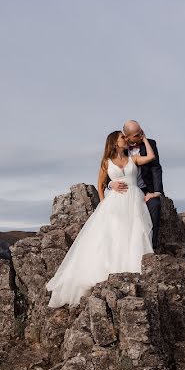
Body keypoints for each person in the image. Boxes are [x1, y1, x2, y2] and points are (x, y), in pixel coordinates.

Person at [46, 130, 155, 308]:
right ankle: (110, 270)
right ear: (114, 142)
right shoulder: (107, 162)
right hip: (115, 202)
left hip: (134, 200)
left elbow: (150, 156)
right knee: (113, 235)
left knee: (134, 232)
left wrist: (143, 139)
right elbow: (100, 184)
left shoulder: (133, 158)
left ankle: (132, 269)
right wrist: (104, 201)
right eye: (122, 138)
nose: (125, 140)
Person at [109, 120, 164, 251]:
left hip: (146, 189)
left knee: (155, 205)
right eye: (136, 135)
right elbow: (108, 171)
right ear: (126, 137)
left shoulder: (150, 143)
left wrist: (156, 192)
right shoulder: (120, 148)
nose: (140, 136)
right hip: (125, 190)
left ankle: (152, 245)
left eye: (141, 132)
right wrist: (111, 184)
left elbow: (156, 168)